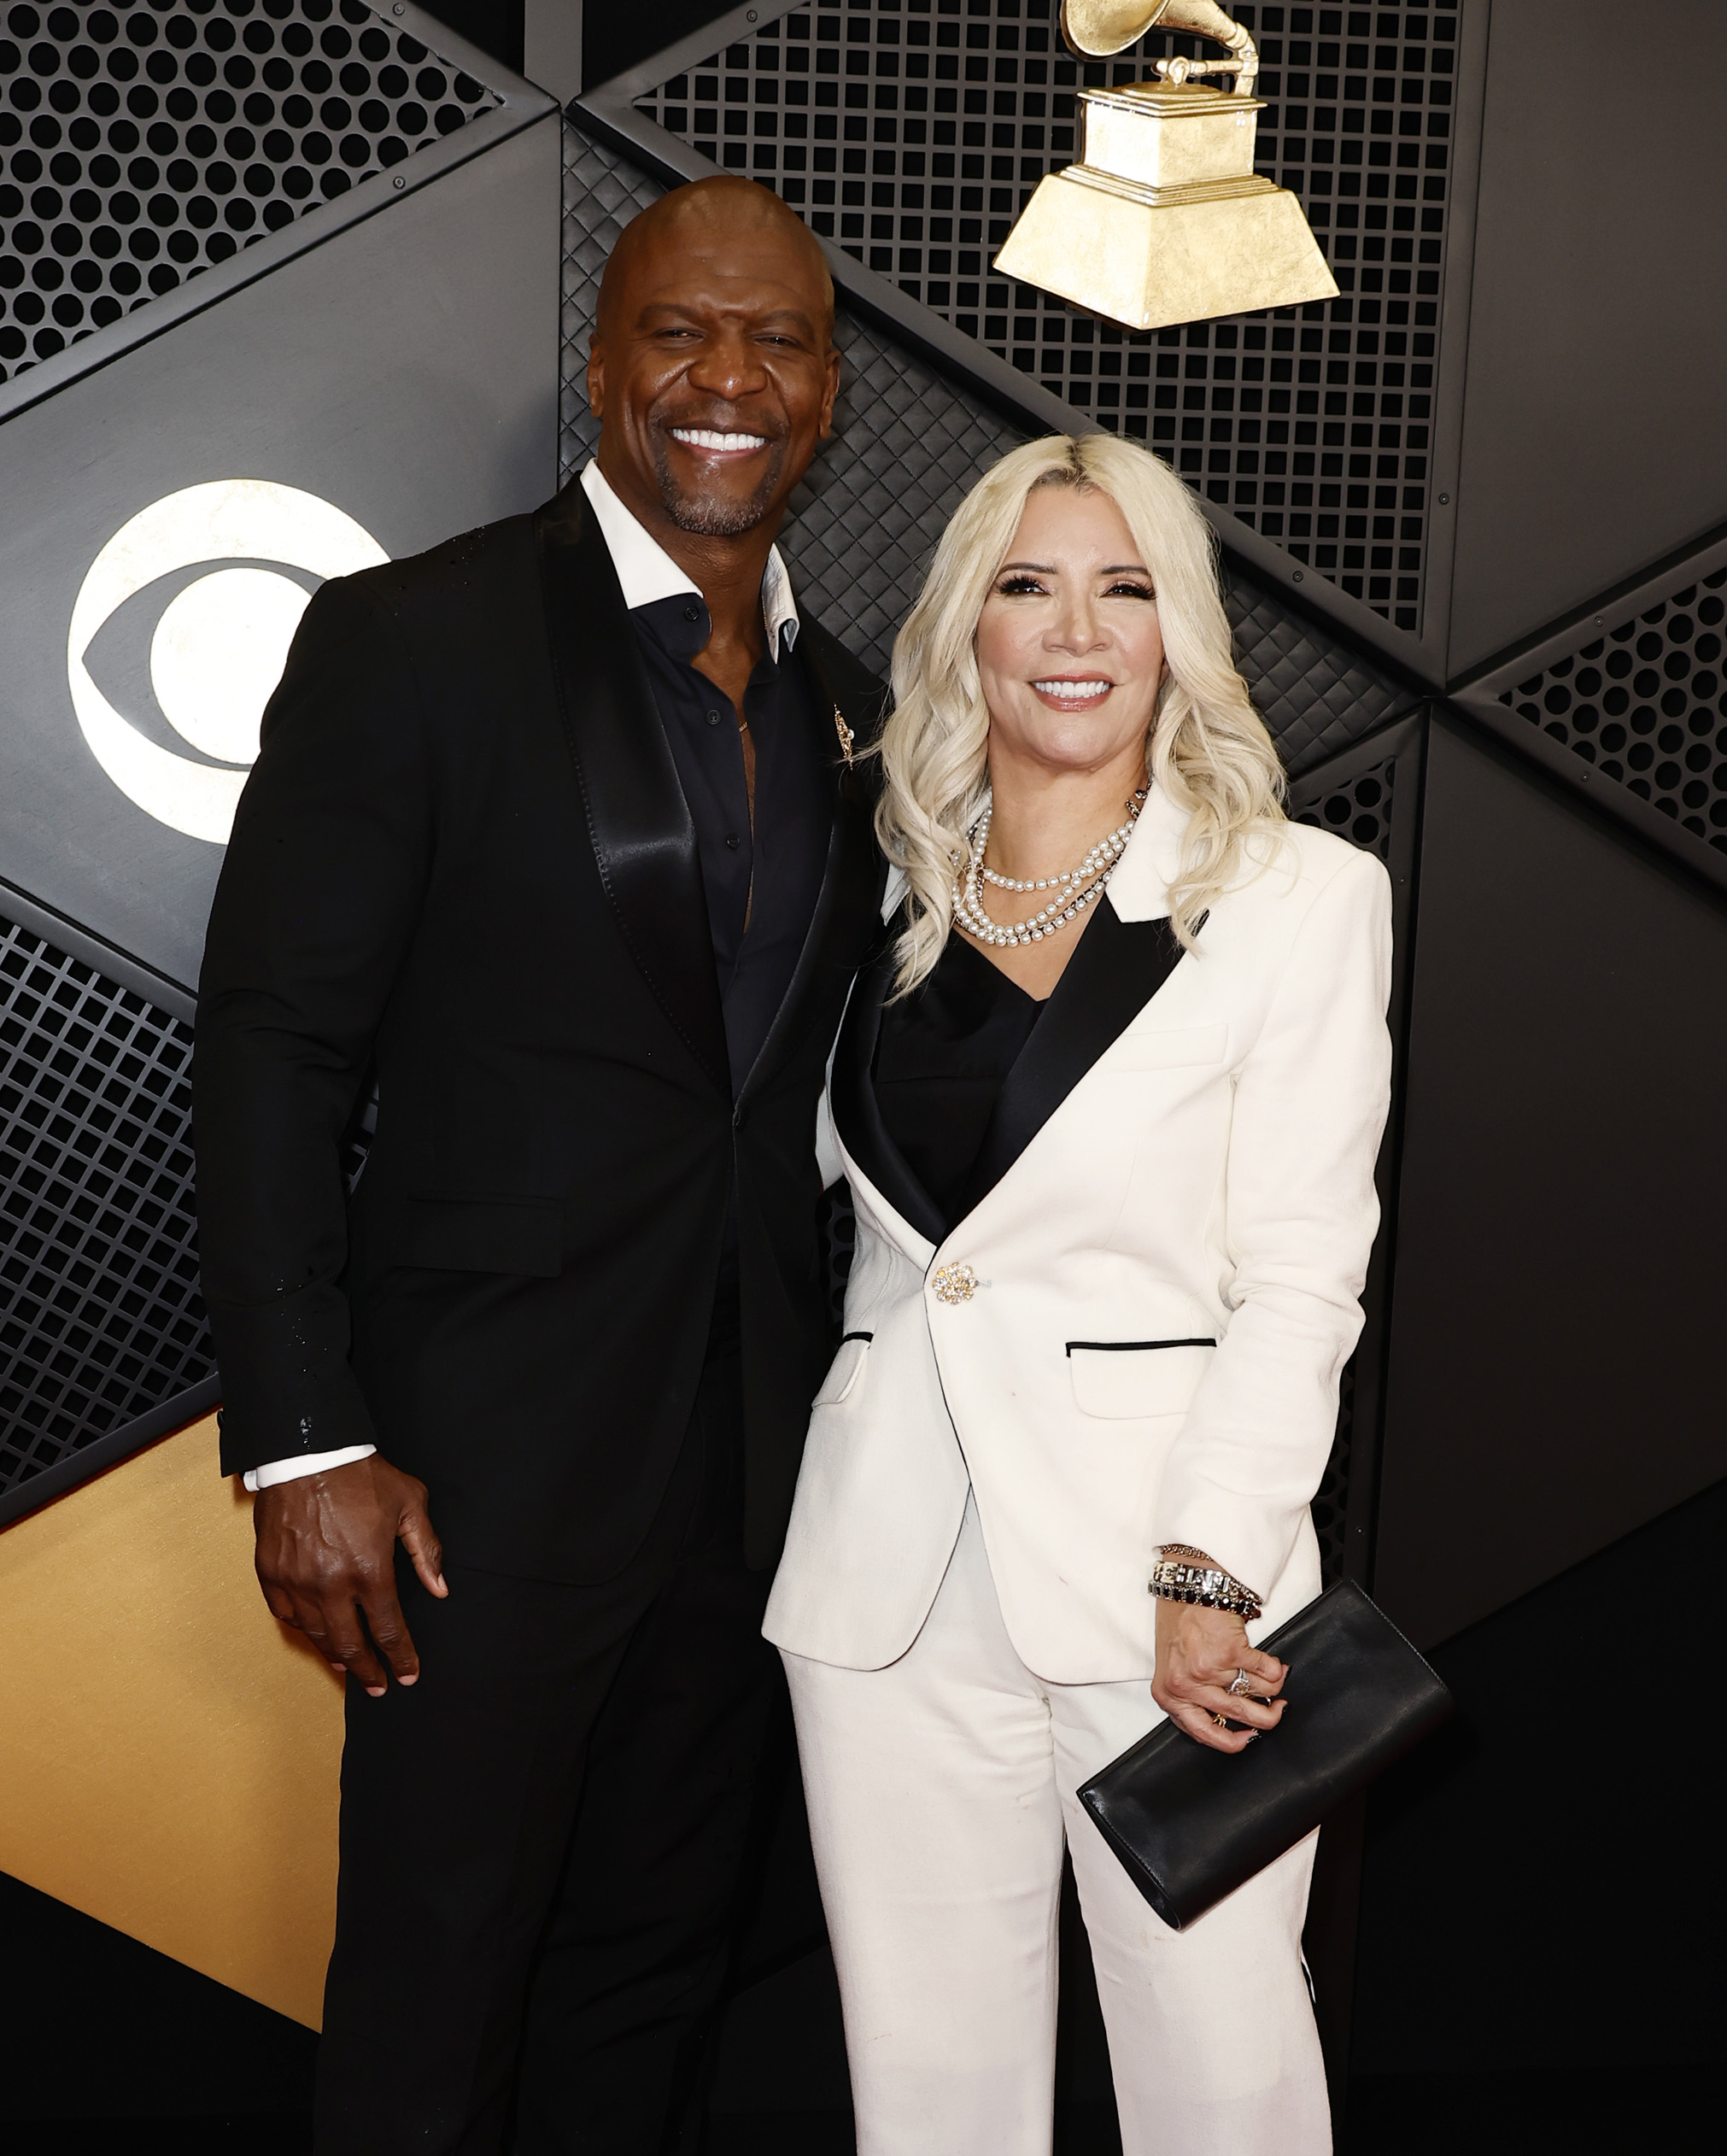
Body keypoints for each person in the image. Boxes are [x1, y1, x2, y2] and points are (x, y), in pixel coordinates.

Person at [193, 177, 884, 2154]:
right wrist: (305, 1434)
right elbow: (272, 1042)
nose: (728, 379)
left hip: (752, 1477)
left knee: (650, 1980)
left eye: (777, 342)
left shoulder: (859, 710)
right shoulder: (415, 638)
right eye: (682, 333)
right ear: (603, 368)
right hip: (466, 1488)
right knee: (433, 1991)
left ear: (830, 394)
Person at [764, 432, 1393, 2155]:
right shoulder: (873, 887)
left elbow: (1301, 1272)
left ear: (1179, 630)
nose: (1075, 628)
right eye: (1028, 584)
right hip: (885, 1577)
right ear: (968, 623)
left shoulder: (1299, 901)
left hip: (1170, 1579)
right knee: (931, 2083)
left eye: (1126, 588)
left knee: (1224, 2070)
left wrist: (1215, 1563)